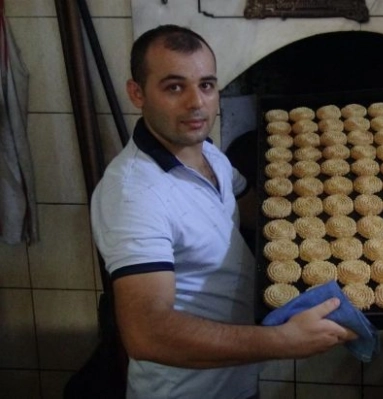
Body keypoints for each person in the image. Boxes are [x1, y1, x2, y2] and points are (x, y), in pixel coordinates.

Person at [90, 25, 356, 399]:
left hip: (235, 381)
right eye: (174, 87)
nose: (196, 103)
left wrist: (337, 211)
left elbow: (252, 210)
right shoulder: (133, 193)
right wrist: (282, 341)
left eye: (207, 85)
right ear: (137, 93)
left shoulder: (208, 153)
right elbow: (146, 333)